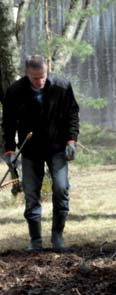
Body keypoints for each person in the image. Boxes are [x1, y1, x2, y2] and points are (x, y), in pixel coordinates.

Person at [2, 55, 79, 252]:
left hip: (57, 147)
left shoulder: (61, 86)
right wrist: (10, 151)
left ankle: (57, 237)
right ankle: (35, 240)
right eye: (36, 78)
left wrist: (71, 140)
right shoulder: (15, 91)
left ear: (47, 70)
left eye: (43, 76)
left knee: (61, 189)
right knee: (31, 195)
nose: (40, 81)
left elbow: (72, 113)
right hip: (30, 150)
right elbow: (8, 124)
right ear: (27, 74)